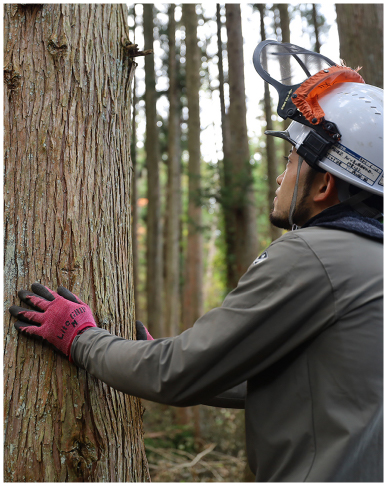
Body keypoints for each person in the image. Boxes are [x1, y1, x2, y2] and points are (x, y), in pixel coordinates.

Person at [9, 41, 383, 481]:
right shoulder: (371, 266)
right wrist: (144, 351)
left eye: (291, 160)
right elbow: (299, 386)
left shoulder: (315, 255)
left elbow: (176, 374)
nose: (281, 176)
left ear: (324, 185)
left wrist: (81, 338)